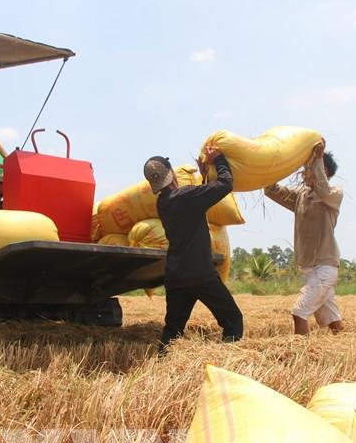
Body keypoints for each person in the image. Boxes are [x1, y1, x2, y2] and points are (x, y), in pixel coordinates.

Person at [143, 149, 244, 353]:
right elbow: (225, 184)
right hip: (200, 275)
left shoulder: (163, 202)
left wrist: (204, 177)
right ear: (171, 172)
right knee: (233, 319)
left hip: (176, 276)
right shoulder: (186, 196)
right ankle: (228, 360)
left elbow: (198, 202)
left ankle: (163, 362)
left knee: (173, 330)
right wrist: (219, 160)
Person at [265, 140, 344, 335]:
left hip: (325, 267)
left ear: (322, 170)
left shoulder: (333, 194)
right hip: (309, 269)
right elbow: (271, 190)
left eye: (307, 168)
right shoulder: (301, 196)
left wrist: (317, 158)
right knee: (332, 321)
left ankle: (302, 351)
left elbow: (323, 190)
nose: (302, 173)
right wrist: (272, 169)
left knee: (299, 312)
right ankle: (349, 346)